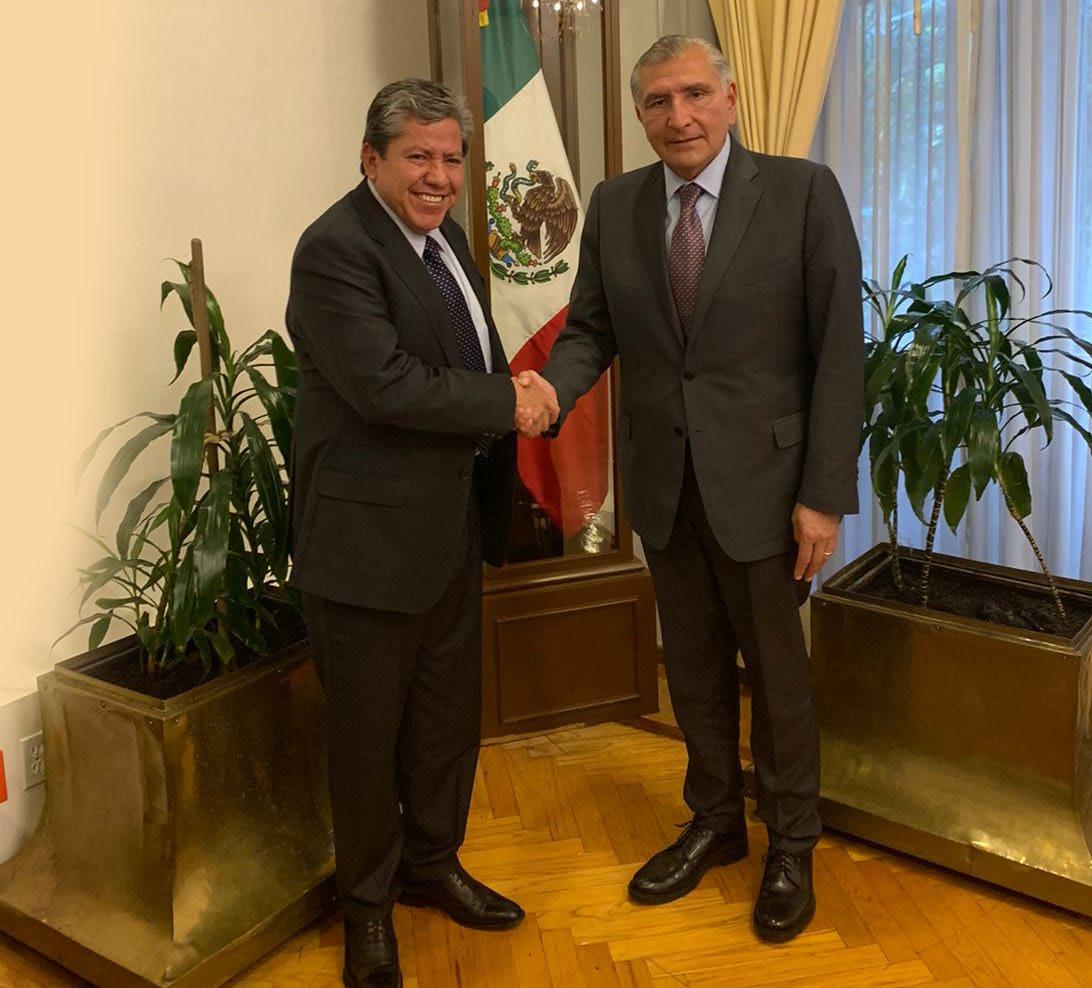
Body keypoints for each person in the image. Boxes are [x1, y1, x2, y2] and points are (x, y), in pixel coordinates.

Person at [526, 35, 864, 943]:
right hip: (666, 488)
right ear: (640, 113)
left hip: (771, 491)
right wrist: (552, 390)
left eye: (694, 95)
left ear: (731, 97)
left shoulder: (801, 193)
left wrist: (824, 495)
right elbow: (591, 329)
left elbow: (839, 353)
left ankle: (791, 842)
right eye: (658, 101)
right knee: (695, 668)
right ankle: (715, 820)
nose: (678, 117)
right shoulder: (614, 205)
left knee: (777, 680)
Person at [286, 78, 558, 988]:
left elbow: (462, 356)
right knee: (367, 741)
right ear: (371, 159)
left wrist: (514, 398)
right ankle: (367, 910)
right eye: (418, 157)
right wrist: (510, 402)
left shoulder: (445, 243)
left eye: (451, 158)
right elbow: (384, 383)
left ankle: (433, 864)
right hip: (364, 549)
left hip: (447, 531)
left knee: (445, 721)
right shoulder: (334, 249)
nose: (439, 176)